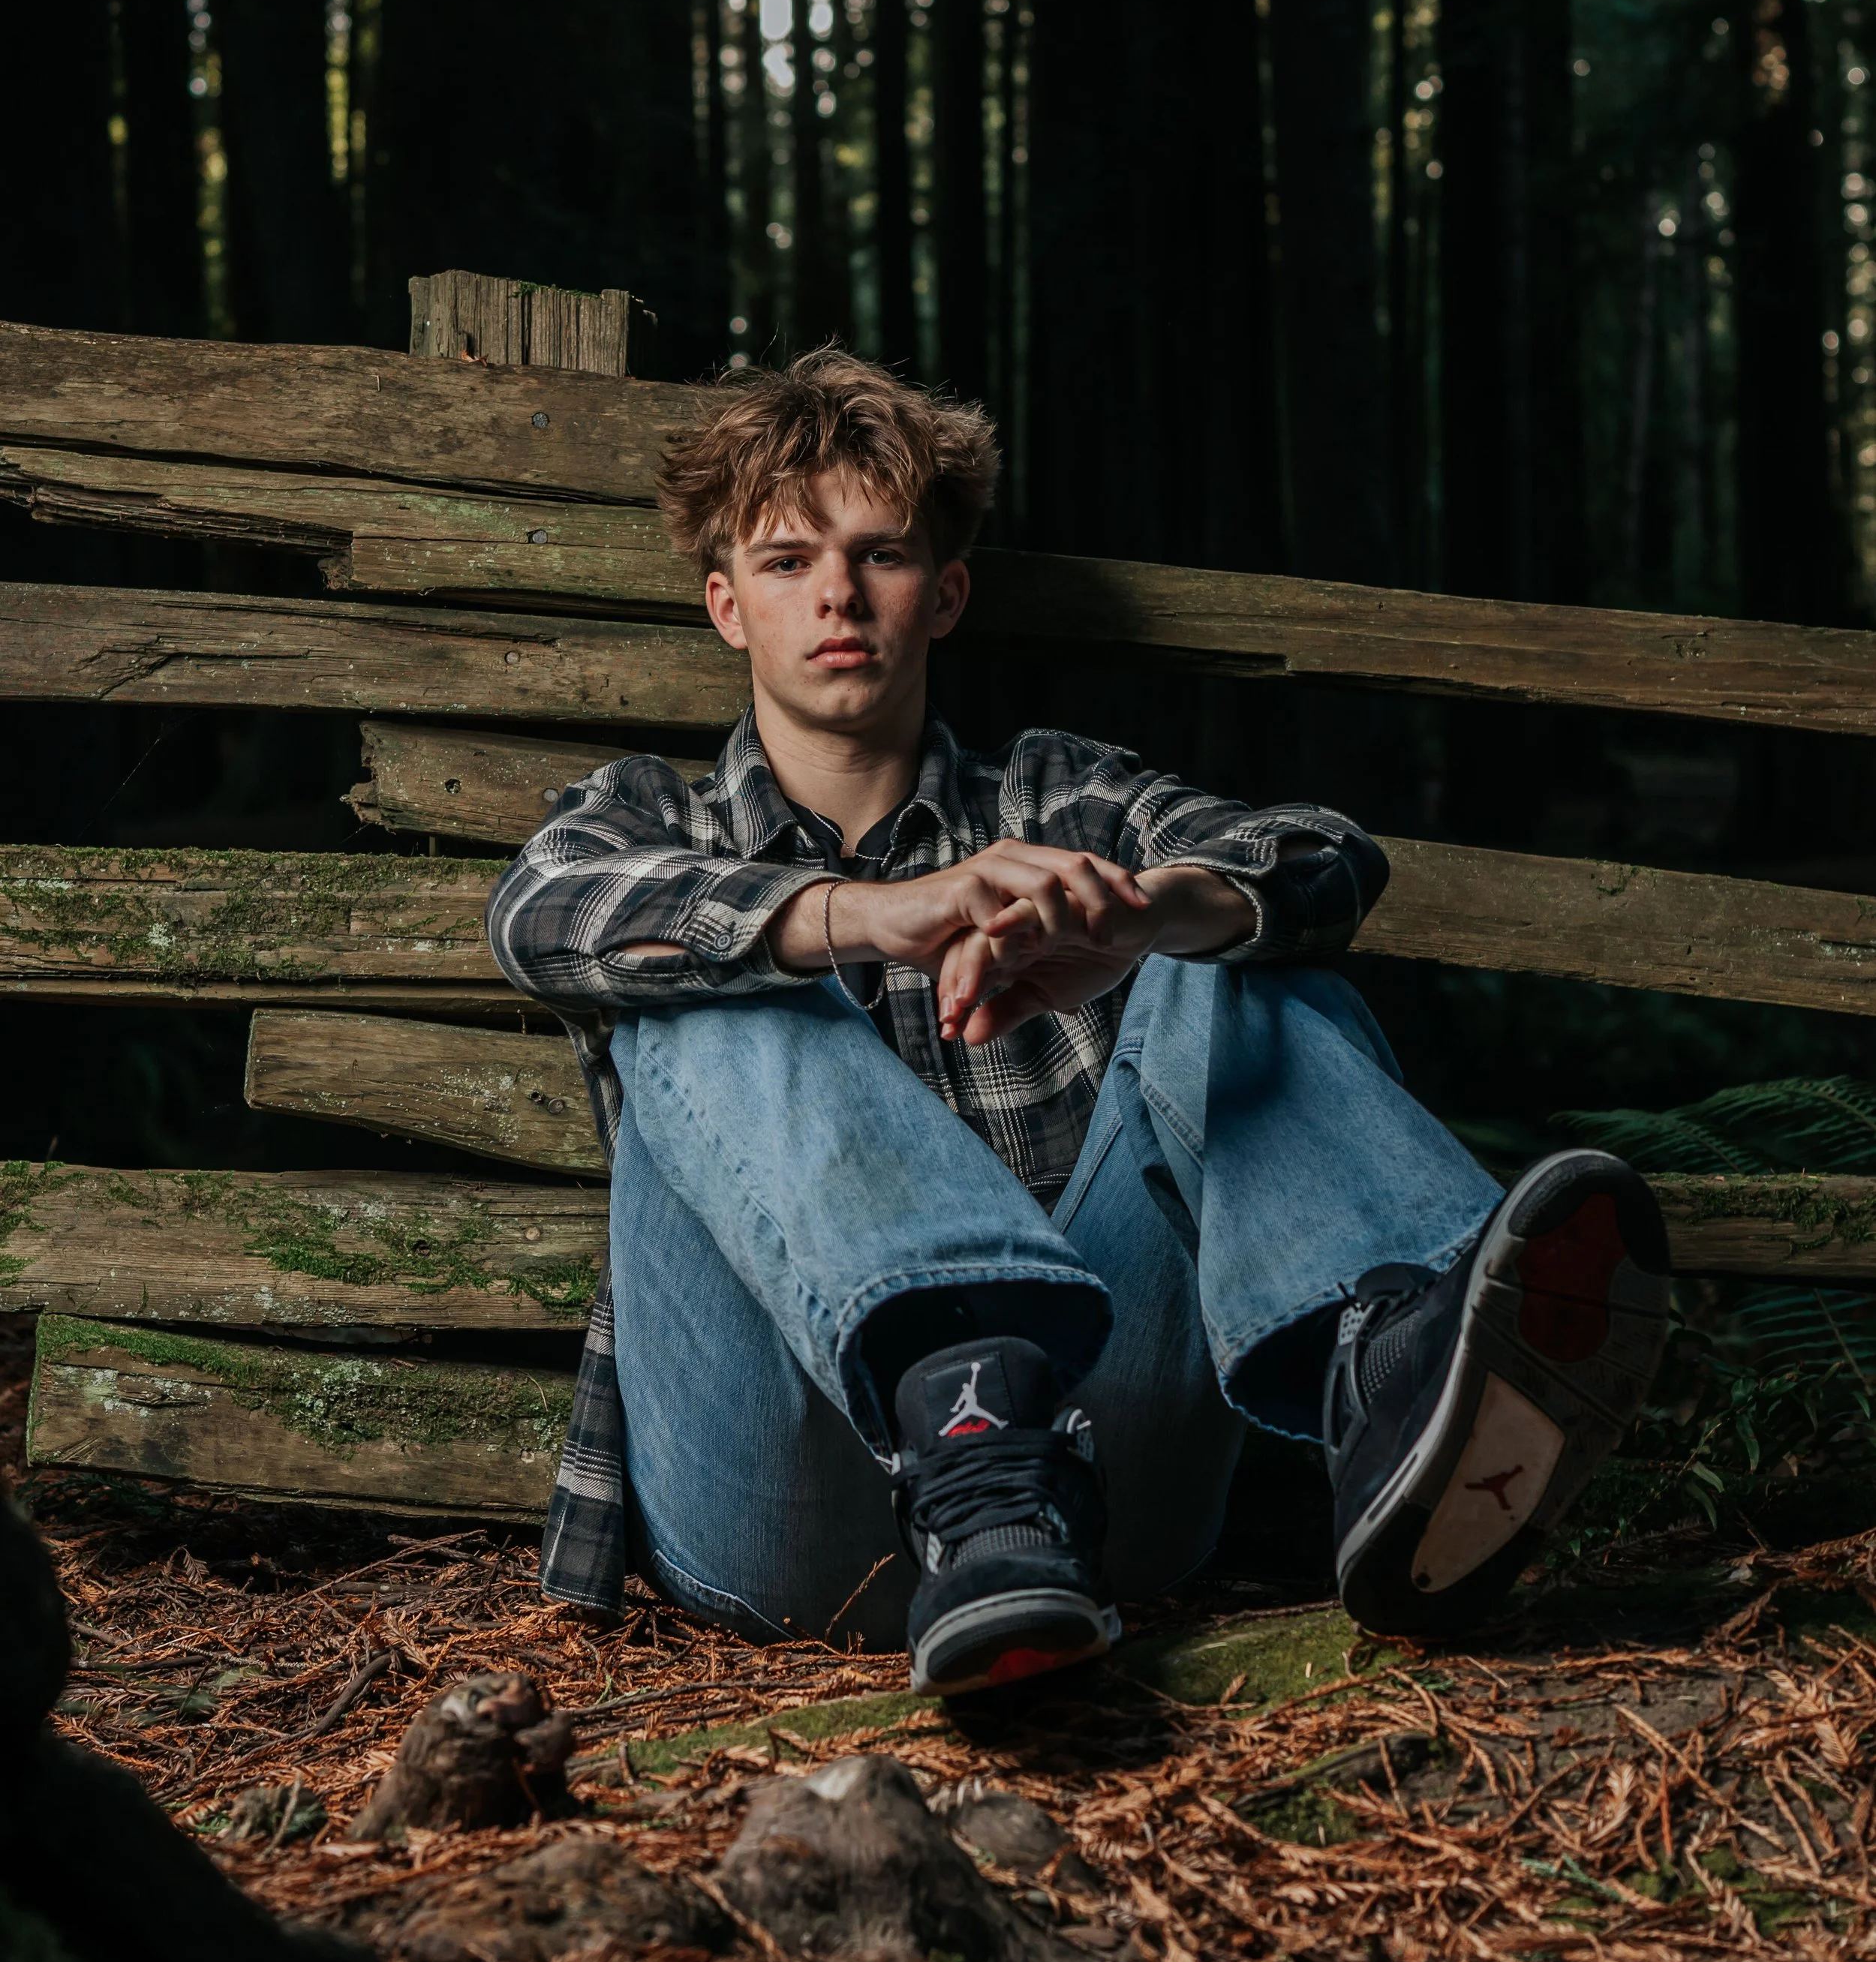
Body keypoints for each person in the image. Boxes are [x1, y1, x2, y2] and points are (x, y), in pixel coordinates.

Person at [486, 352, 1670, 1695]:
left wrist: (1151, 911)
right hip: (777, 1506)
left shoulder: (1060, 800)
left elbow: (1325, 857)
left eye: (880, 555)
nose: (835, 593)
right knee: (700, 975)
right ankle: (963, 1436)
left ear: (946, 594)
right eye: (784, 560)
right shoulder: (647, 815)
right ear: (725, 607)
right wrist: (863, 915)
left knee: (1229, 936)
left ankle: (1392, 1374)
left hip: (1098, 1490)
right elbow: (535, 914)